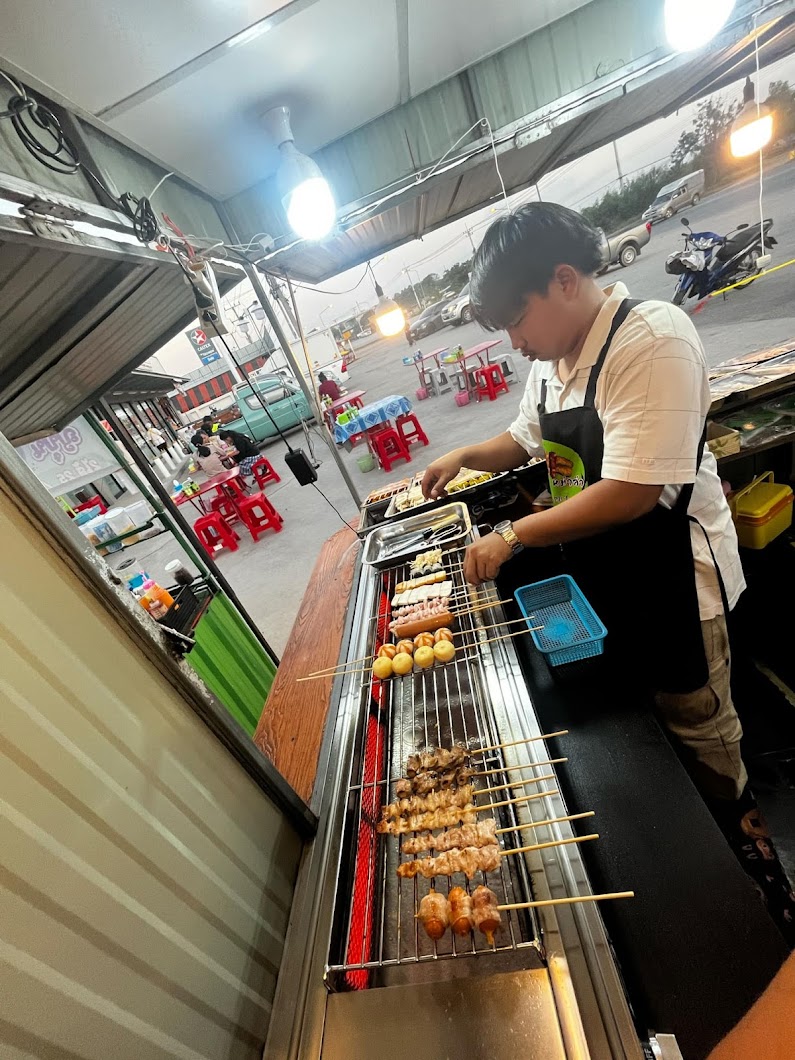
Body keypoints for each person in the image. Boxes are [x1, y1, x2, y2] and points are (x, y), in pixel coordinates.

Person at [421, 202, 795, 941]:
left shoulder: (650, 339)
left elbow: (630, 493)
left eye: (516, 321)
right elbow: (525, 441)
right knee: (644, 719)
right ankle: (689, 861)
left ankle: (753, 865)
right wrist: (464, 454)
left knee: (699, 720)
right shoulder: (552, 361)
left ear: (564, 280)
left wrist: (511, 535)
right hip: (608, 572)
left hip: (676, 576)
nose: (514, 342)